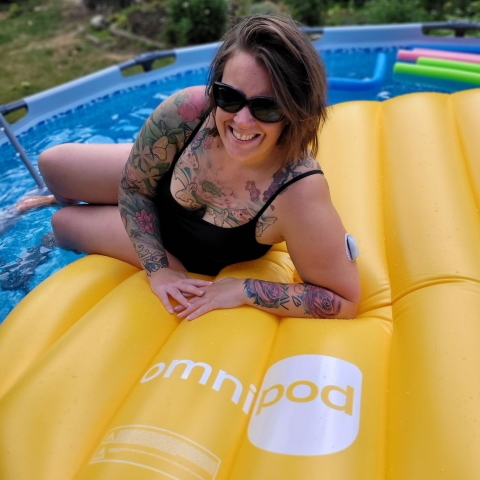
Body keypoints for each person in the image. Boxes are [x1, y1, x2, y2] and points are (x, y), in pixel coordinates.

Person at [35, 14, 361, 321]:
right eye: (229, 97)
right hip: (156, 188)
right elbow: (134, 187)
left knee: (63, 223)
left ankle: (63, 204)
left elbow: (343, 299)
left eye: (266, 107)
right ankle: (55, 194)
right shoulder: (189, 111)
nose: (242, 120)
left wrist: (245, 289)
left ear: (296, 110)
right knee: (53, 166)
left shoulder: (298, 191)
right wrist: (156, 268)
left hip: (184, 249)